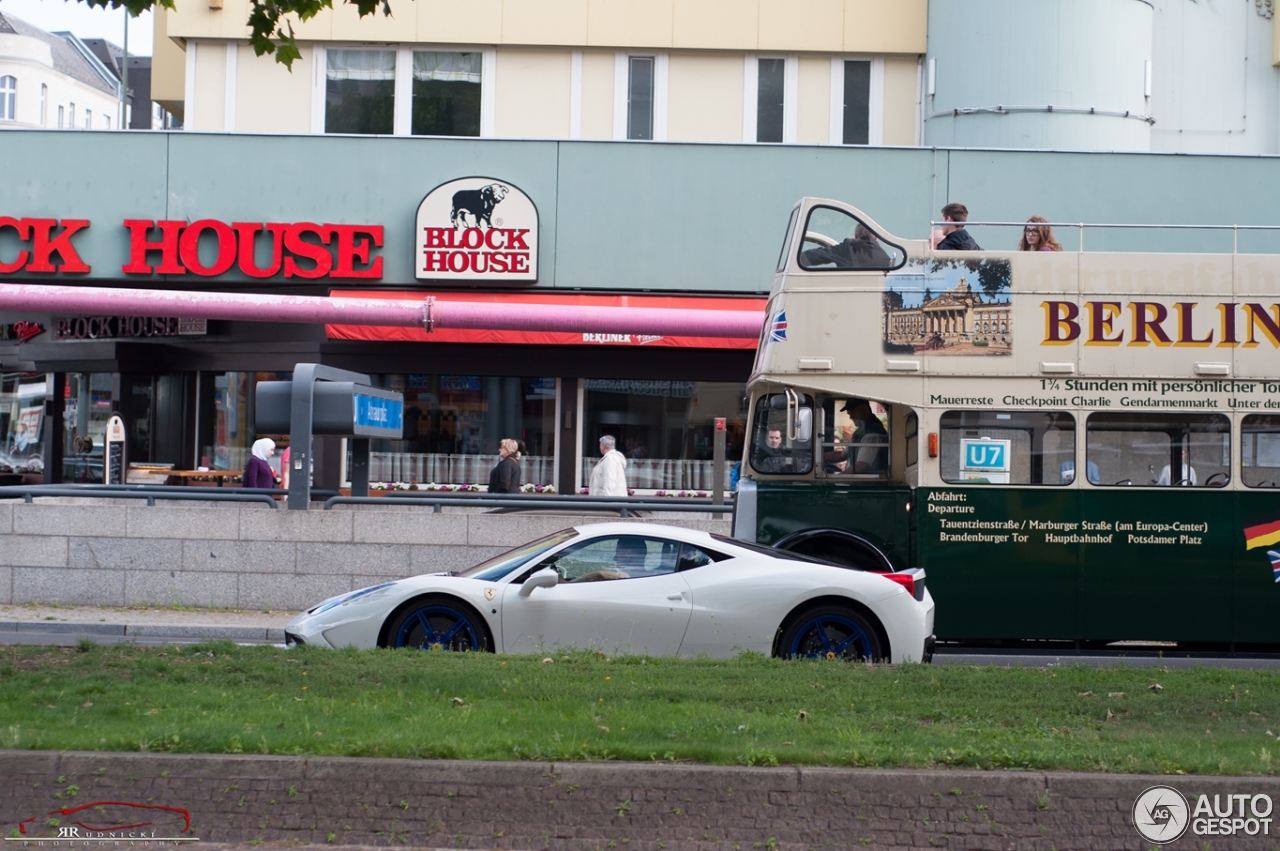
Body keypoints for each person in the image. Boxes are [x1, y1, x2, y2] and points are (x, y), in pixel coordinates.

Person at [801, 223, 892, 270]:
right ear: (876, 238)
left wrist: (797, 259)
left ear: (856, 236)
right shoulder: (885, 258)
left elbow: (819, 255)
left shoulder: (849, 247)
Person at [841, 399, 889, 474]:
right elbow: (842, 455)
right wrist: (822, 456)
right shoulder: (860, 432)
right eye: (849, 413)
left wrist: (839, 477)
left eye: (853, 412)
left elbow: (860, 466)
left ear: (865, 409)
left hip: (868, 482)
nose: (851, 417)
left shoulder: (873, 432)